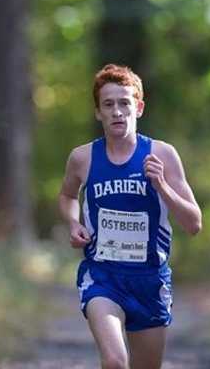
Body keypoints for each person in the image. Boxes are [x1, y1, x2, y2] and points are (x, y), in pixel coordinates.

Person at [58, 64, 202, 369]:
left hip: (150, 279)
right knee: (114, 362)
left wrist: (162, 185)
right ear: (98, 113)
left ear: (138, 108)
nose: (117, 112)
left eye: (124, 103)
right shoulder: (82, 158)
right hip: (103, 276)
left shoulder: (162, 155)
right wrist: (73, 222)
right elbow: (68, 195)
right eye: (108, 105)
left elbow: (193, 223)